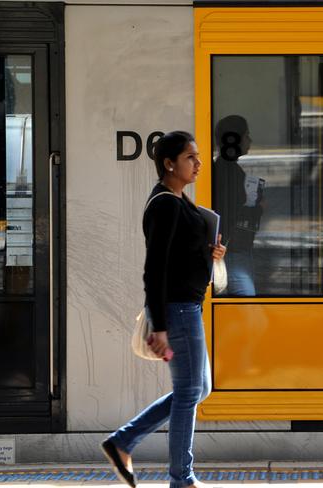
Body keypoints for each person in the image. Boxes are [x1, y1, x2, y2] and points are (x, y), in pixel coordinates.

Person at [101, 131, 226, 488]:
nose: (199, 163)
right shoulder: (164, 205)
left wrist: (212, 254)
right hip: (178, 309)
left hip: (187, 307)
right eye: (190, 157)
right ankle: (181, 478)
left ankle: (123, 441)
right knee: (190, 392)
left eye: (198, 156)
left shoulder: (180, 200)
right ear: (169, 163)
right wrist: (158, 324)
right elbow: (155, 268)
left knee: (198, 389)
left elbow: (183, 256)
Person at [212, 115, 263, 296]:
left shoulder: (225, 168)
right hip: (232, 250)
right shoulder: (228, 171)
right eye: (246, 135)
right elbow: (231, 211)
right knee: (245, 307)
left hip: (233, 249)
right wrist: (254, 207)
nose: (250, 140)